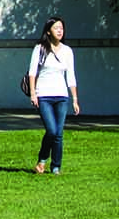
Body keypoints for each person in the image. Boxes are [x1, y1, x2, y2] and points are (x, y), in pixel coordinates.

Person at [27, 15, 81, 174]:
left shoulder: (67, 51)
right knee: (51, 130)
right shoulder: (40, 48)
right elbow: (32, 72)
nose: (60, 31)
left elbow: (71, 76)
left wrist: (75, 99)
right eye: (56, 28)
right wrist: (33, 94)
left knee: (59, 133)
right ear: (49, 31)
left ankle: (56, 167)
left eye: (62, 28)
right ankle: (42, 159)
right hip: (43, 95)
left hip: (62, 96)